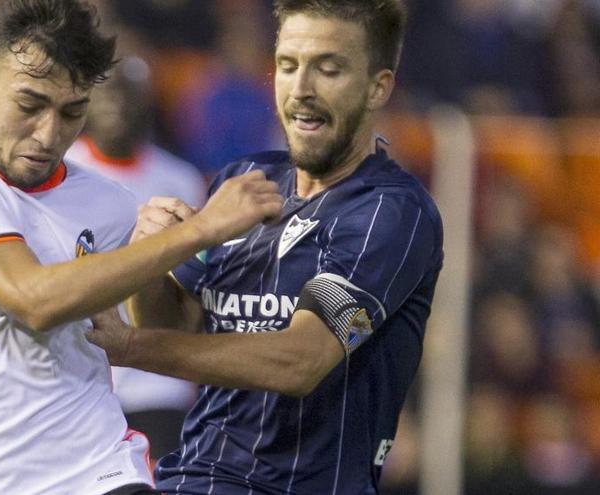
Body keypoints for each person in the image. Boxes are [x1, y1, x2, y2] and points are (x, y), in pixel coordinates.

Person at [0, 1, 283, 494]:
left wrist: (164, 259)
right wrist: (193, 235)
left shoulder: (111, 204)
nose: (48, 135)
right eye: (29, 105)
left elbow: (165, 331)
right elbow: (34, 299)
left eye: (71, 112)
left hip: (98, 469)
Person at [86, 0, 445, 493]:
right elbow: (173, 325)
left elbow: (299, 361)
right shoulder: (243, 179)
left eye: (329, 69)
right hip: (189, 478)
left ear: (378, 86)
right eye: (288, 66)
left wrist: (128, 347)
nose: (301, 90)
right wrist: (157, 255)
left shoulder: (390, 213)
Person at [65, 55, 205, 460]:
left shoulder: (181, 179)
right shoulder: (64, 167)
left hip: (158, 381)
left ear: (148, 101)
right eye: (107, 92)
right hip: (80, 377)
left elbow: (193, 285)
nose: (118, 104)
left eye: (130, 94)